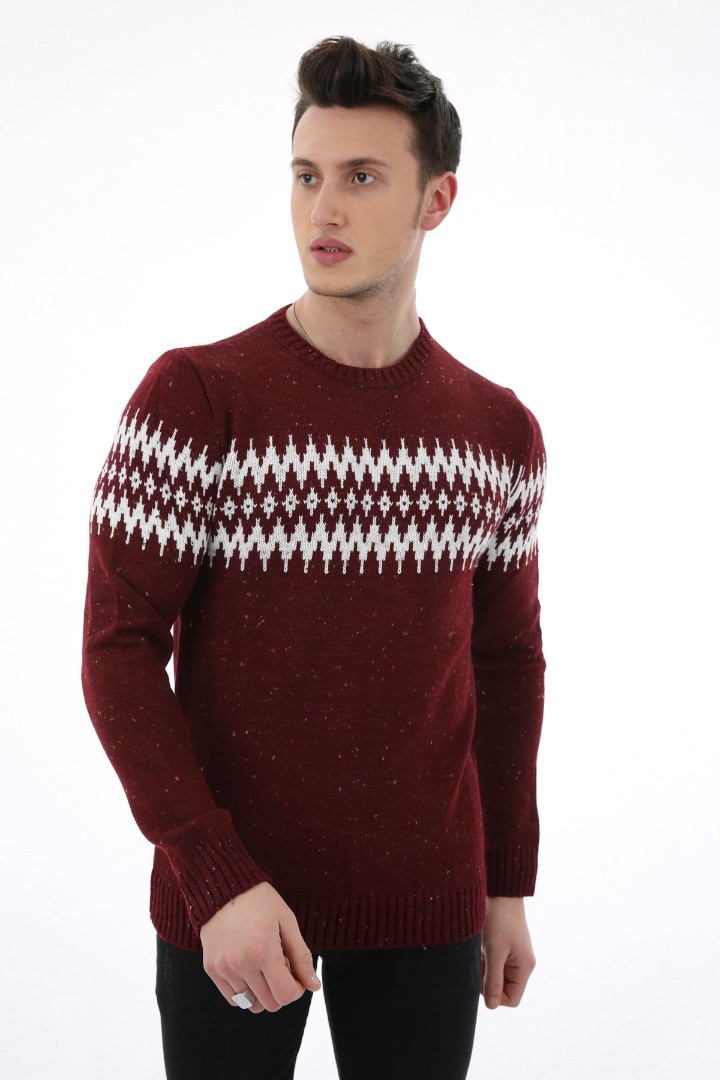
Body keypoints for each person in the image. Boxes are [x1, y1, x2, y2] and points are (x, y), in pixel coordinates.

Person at [81, 35, 547, 1080]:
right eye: (306, 175)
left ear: (437, 200)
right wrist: (213, 875)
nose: (322, 209)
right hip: (231, 911)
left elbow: (507, 663)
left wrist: (505, 879)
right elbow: (117, 648)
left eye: (362, 177)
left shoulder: (498, 431)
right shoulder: (197, 397)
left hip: (431, 908)